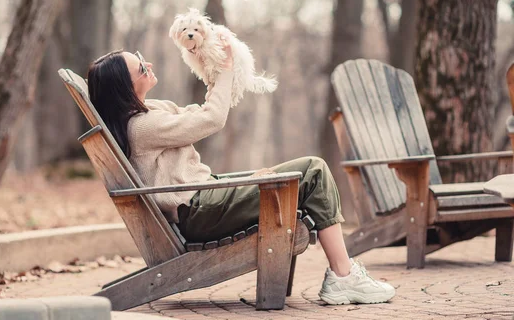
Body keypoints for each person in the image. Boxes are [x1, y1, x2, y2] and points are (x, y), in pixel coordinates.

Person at [87, 40, 396, 305]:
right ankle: (343, 276)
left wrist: (212, 68)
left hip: (205, 199)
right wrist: (224, 70)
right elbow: (212, 119)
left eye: (141, 57)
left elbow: (200, 112)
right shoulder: (142, 127)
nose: (148, 63)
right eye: (141, 67)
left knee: (297, 175)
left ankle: (343, 274)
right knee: (313, 170)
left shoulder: (151, 110)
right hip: (199, 212)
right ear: (125, 87)